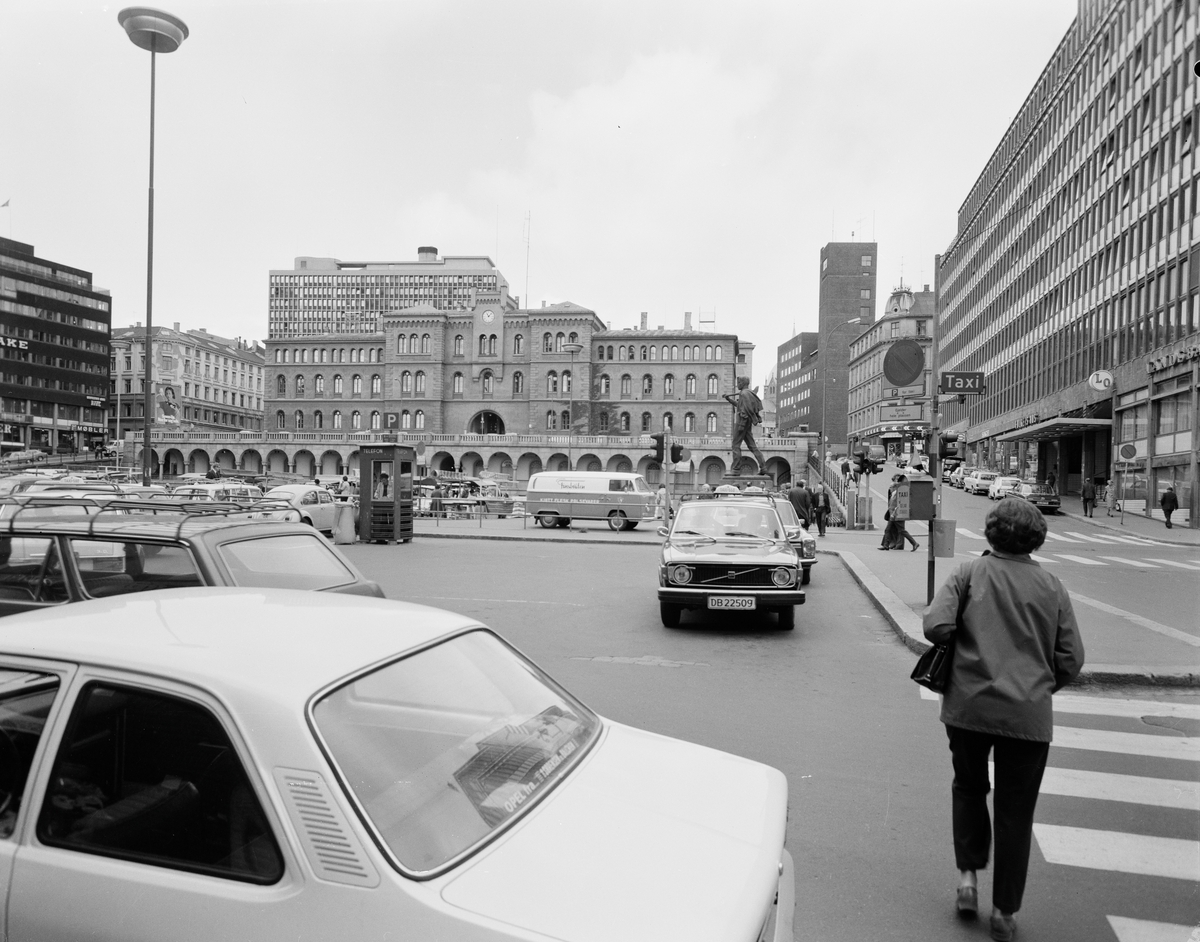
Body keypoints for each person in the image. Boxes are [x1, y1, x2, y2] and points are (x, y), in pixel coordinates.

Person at [923, 497, 1084, 941]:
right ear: (1038, 538)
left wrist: (969, 648)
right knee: (1017, 810)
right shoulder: (1052, 586)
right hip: (1027, 716)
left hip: (969, 707)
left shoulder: (968, 574)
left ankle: (968, 880)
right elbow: (1071, 658)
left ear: (991, 533)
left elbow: (935, 627)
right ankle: (1006, 912)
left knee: (969, 788)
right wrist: (1038, 688)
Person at [723, 376, 766, 475]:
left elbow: (748, 409)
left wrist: (742, 424)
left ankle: (736, 469)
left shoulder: (744, 393)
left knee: (735, 445)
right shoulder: (749, 393)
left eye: (738, 383)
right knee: (752, 446)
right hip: (747, 422)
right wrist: (729, 399)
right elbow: (740, 406)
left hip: (741, 422)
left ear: (742, 383)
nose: (737, 385)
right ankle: (763, 467)